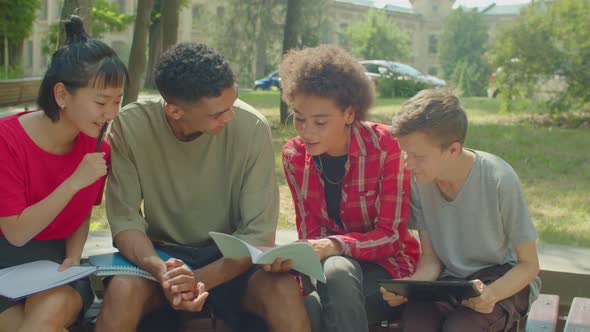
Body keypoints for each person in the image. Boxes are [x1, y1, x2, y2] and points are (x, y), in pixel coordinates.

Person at [95, 42, 310, 332]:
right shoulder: (130, 127)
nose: (229, 116)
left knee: (283, 292)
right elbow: (125, 221)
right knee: (122, 291)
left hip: (232, 259)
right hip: (161, 258)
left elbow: (257, 234)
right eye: (217, 113)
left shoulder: (252, 128)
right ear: (174, 111)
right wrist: (165, 273)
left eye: (231, 105)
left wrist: (196, 279)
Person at [279, 45, 420, 332]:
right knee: (321, 285)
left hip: (387, 269)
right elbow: (310, 233)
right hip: (332, 272)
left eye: (320, 121)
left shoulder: (385, 146)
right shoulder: (293, 157)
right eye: (299, 118)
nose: (306, 131)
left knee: (318, 299)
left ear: (349, 113)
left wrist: (335, 245)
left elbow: (391, 236)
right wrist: (294, 260)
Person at [0, 15, 127, 332]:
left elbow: (81, 214)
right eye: (101, 102)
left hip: (57, 269)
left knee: (54, 306)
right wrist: (73, 183)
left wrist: (73, 257)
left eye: (117, 101)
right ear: (61, 95)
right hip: (5, 264)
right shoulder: (7, 140)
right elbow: (16, 233)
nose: (111, 113)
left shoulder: (97, 148)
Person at [383, 89, 541, 331]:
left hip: (502, 278)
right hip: (450, 281)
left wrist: (491, 294)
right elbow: (431, 261)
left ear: (453, 150)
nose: (408, 164)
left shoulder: (500, 179)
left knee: (461, 327)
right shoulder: (420, 181)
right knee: (415, 324)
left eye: (417, 156)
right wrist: (409, 287)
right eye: (405, 153)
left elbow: (529, 265)